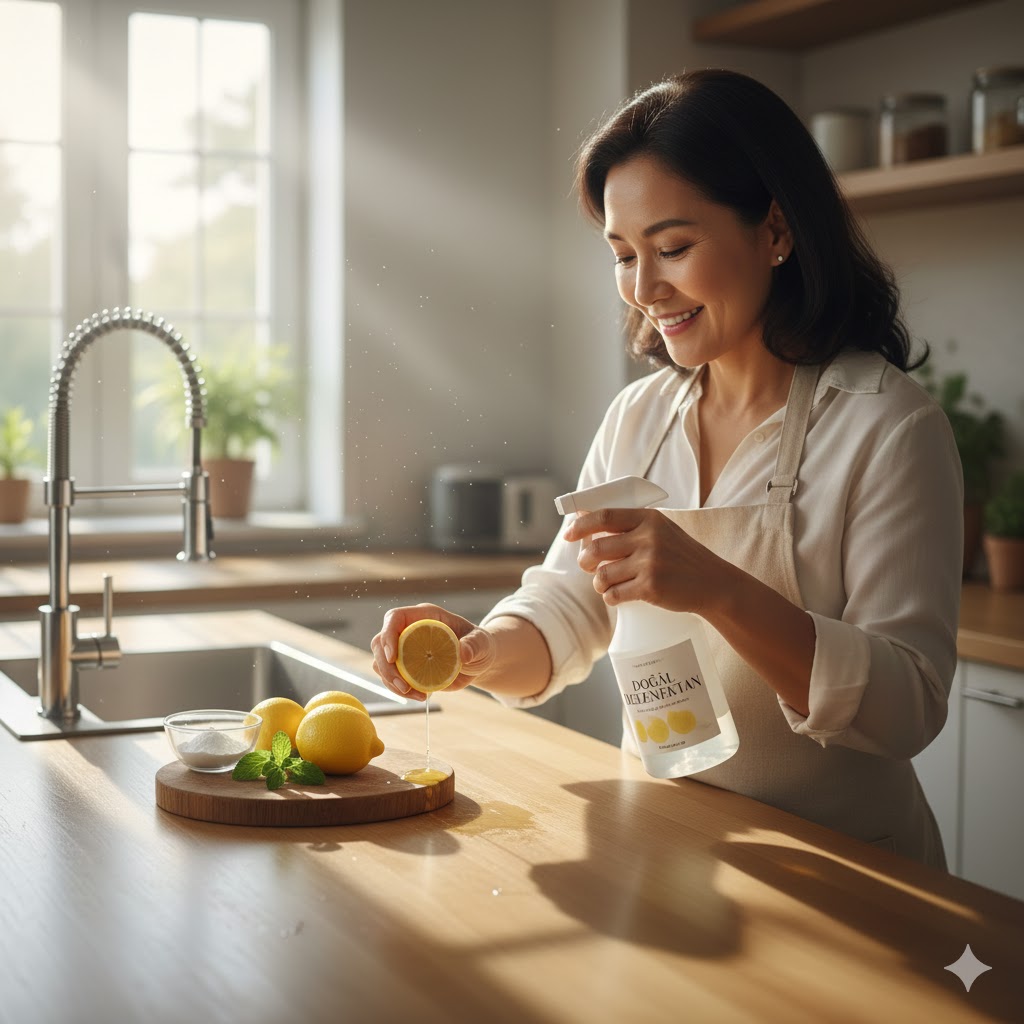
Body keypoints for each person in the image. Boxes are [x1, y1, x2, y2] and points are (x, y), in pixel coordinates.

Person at [370, 69, 962, 868]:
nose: (645, 289)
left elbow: (907, 709)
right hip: (666, 859)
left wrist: (717, 587)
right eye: (623, 255)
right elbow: (565, 613)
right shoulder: (640, 418)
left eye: (673, 248)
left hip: (849, 874)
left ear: (776, 228)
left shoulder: (887, 425)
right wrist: (475, 650)